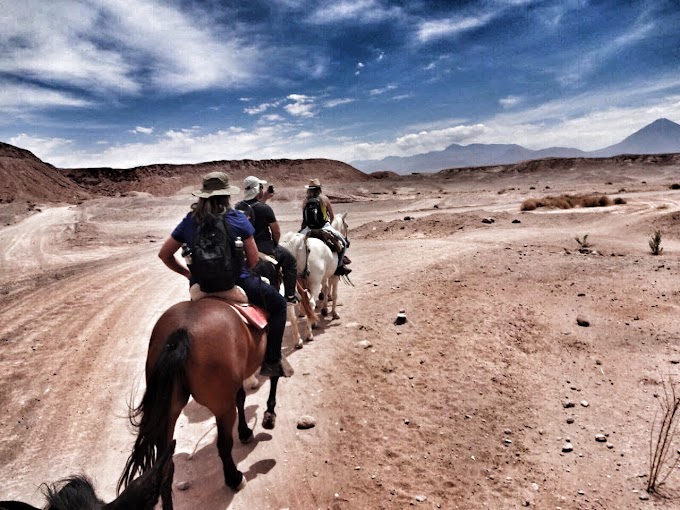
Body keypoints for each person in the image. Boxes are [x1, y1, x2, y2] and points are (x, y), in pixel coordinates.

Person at [158, 171, 293, 378]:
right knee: (279, 305)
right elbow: (254, 259)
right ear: (226, 196)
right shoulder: (237, 218)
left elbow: (165, 254)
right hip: (237, 283)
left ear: (202, 196)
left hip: (201, 287)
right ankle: (272, 360)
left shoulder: (189, 221)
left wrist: (188, 274)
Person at [239, 175, 299, 304]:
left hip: (244, 247)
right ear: (258, 189)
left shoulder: (238, 206)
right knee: (291, 262)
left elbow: (254, 210)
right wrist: (275, 245)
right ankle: (290, 296)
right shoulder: (264, 208)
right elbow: (276, 231)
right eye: (261, 187)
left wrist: (264, 197)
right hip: (264, 246)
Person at [300, 178, 351, 276]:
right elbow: (331, 217)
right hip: (323, 226)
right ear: (319, 189)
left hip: (308, 228)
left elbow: (304, 218)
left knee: (296, 244)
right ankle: (339, 266)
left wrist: (302, 229)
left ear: (309, 190)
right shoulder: (324, 199)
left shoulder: (305, 201)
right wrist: (328, 228)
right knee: (343, 244)